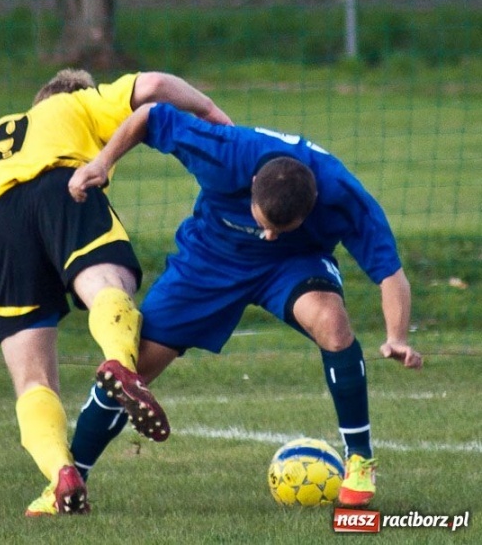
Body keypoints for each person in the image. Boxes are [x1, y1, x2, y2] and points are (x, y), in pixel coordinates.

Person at [0, 68, 233, 516]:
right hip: (63, 190)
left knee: (32, 380)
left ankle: (60, 474)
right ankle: (119, 359)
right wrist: (210, 111)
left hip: (0, 224)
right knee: (108, 288)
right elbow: (151, 86)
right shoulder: (76, 103)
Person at [66, 101, 423, 507]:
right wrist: (101, 161)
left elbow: (391, 274)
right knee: (132, 369)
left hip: (293, 263)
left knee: (332, 322)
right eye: (263, 223)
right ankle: (70, 478)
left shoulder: (344, 196)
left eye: (279, 228)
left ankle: (359, 459)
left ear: (312, 207)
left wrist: (397, 337)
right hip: (210, 259)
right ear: (251, 183)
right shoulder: (226, 153)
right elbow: (151, 115)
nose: (268, 234)